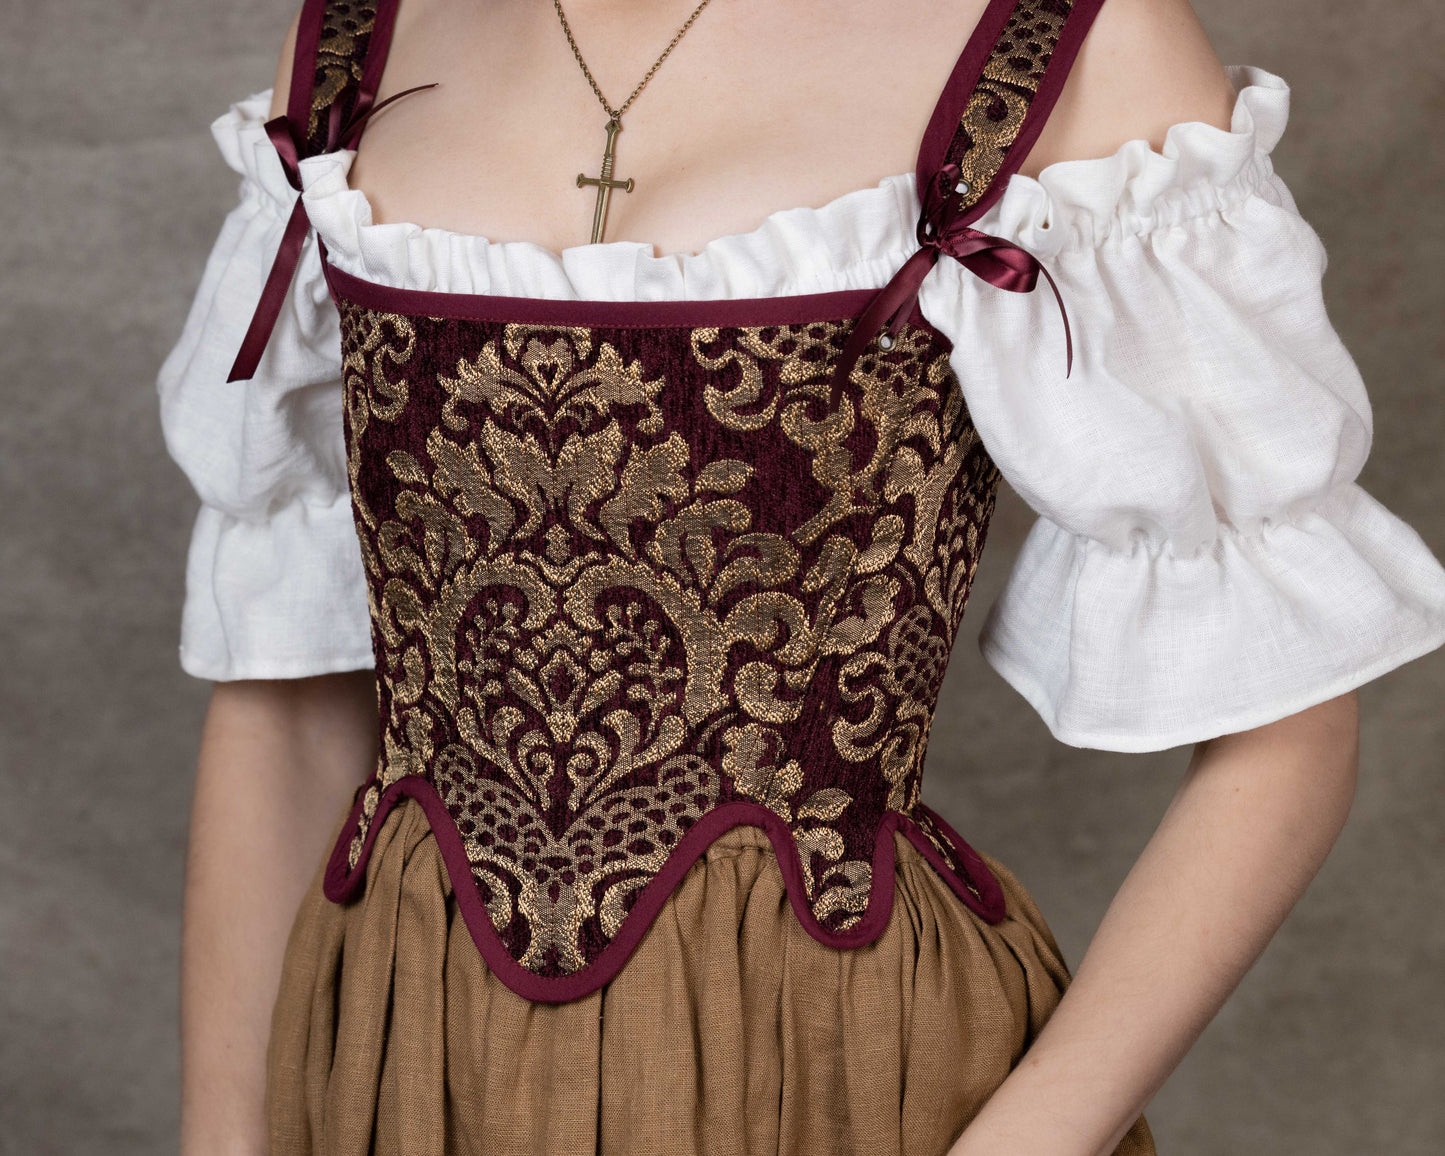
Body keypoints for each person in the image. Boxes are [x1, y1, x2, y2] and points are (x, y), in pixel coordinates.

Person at [157, 0, 1445, 1153]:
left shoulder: (1072, 45)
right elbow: (283, 694)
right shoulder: (351, 41)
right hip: (397, 1040)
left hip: (825, 1050)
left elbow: (1287, 727)